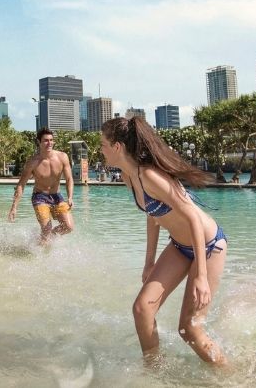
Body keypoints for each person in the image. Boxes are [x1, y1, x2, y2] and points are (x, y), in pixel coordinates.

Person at [100, 116, 227, 367]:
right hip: (180, 247)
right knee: (142, 309)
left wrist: (200, 275)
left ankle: (233, 377)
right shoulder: (129, 176)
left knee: (189, 331)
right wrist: (149, 261)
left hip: (209, 247)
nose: (100, 150)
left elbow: (191, 215)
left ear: (117, 147)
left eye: (103, 144)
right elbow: (153, 214)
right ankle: (155, 371)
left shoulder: (149, 175)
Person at [7, 127, 74, 244]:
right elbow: (21, 185)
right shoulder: (32, 162)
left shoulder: (62, 157)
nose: (50, 143)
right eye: (46, 140)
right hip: (40, 197)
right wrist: (14, 207)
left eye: (51, 140)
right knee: (46, 229)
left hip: (57, 196)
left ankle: (46, 239)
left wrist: (70, 197)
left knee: (68, 227)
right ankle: (41, 251)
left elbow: (69, 179)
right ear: (39, 142)